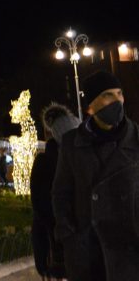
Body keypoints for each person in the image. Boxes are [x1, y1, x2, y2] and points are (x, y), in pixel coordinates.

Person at [53, 70, 139, 281]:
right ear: (91, 107)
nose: (117, 101)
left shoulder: (136, 139)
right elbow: (61, 194)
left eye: (119, 93)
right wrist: (70, 238)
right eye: (108, 95)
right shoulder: (72, 143)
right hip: (89, 256)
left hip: (131, 255)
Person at [31, 103, 79, 280]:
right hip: (77, 244)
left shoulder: (45, 161)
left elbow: (39, 207)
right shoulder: (82, 157)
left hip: (56, 244)